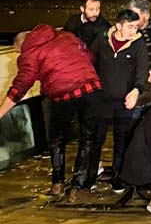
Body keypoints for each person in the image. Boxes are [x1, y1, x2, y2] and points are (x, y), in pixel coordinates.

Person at [0, 26, 103, 195]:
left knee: (56, 139)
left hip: (62, 96)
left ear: (20, 46)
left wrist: (1, 112)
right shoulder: (67, 36)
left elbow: (19, 88)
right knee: (87, 138)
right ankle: (79, 184)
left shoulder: (29, 53)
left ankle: (58, 183)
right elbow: (90, 57)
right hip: (91, 89)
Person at [73, 9, 150, 199]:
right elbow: (88, 61)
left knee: (121, 140)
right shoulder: (101, 39)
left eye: (136, 27)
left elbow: (142, 70)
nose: (133, 31)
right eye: (130, 27)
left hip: (125, 102)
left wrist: (136, 90)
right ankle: (89, 180)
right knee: (95, 140)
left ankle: (118, 177)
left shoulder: (139, 45)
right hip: (101, 101)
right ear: (118, 26)